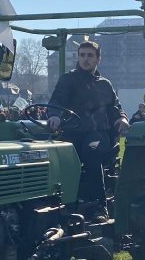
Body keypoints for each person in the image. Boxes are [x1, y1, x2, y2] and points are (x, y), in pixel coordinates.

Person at [47, 39, 129, 220]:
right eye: (82, 55)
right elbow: (56, 101)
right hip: (72, 132)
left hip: (97, 134)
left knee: (90, 150)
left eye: (90, 56)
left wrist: (122, 119)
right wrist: (54, 115)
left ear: (98, 59)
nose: (85, 59)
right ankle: (61, 204)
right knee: (55, 155)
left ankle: (100, 206)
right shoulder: (68, 80)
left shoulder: (105, 85)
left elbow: (115, 108)